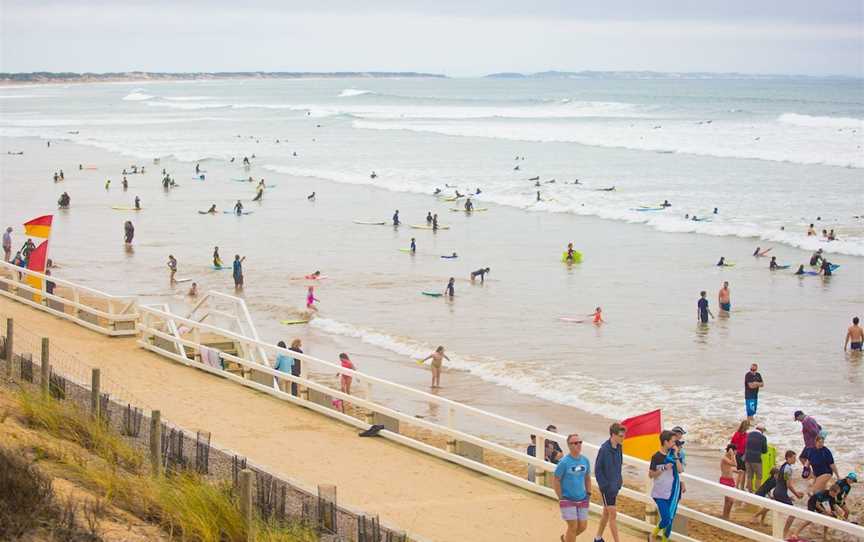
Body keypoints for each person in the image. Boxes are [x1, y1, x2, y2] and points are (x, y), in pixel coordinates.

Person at [553, 434, 592, 542]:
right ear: (569, 445)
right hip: (567, 499)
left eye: (580, 442)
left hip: (583, 498)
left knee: (582, 527)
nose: (578, 445)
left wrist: (588, 494)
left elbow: (587, 478)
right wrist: (561, 497)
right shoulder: (564, 462)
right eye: (575, 443)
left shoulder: (585, 460)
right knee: (573, 527)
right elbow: (556, 480)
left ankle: (565, 539)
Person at [649, 430, 684, 542]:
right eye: (673, 441)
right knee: (666, 519)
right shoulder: (656, 457)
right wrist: (663, 468)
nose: (674, 444)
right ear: (665, 442)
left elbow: (680, 470)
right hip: (659, 493)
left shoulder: (674, 456)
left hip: (672, 493)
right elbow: (651, 475)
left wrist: (675, 455)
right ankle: (652, 535)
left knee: (670, 521)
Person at [594, 423, 625, 542]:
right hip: (606, 488)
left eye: (623, 436)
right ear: (613, 435)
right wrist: (604, 486)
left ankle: (597, 538)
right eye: (621, 436)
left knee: (606, 514)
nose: (623, 438)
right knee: (613, 514)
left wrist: (619, 480)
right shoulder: (604, 449)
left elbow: (619, 465)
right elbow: (597, 469)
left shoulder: (619, 448)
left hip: (614, 486)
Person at [794, 410, 822, 478]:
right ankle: (812, 474)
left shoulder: (805, 422)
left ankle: (812, 475)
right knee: (803, 458)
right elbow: (820, 428)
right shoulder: (811, 418)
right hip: (811, 445)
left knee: (806, 459)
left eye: (797, 419)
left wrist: (812, 437)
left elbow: (814, 432)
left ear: (800, 416)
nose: (798, 421)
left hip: (811, 445)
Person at [744, 423, 768, 492]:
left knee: (749, 476)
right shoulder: (763, 437)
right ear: (762, 430)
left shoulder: (748, 434)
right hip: (756, 459)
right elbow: (764, 451)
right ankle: (757, 492)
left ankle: (750, 491)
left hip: (747, 458)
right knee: (759, 476)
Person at [719, 444, 738, 519]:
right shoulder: (724, 458)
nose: (736, 453)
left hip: (730, 480)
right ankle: (725, 516)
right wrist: (732, 454)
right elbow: (734, 464)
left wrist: (737, 472)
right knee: (730, 500)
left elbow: (728, 468)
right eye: (735, 451)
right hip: (725, 480)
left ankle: (726, 516)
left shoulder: (728, 458)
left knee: (728, 501)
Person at [729, 420, 750, 490]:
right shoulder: (737, 434)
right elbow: (732, 444)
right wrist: (732, 454)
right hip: (738, 454)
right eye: (747, 426)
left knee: (744, 471)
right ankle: (737, 486)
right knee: (741, 471)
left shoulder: (747, 435)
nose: (748, 427)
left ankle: (742, 487)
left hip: (745, 454)